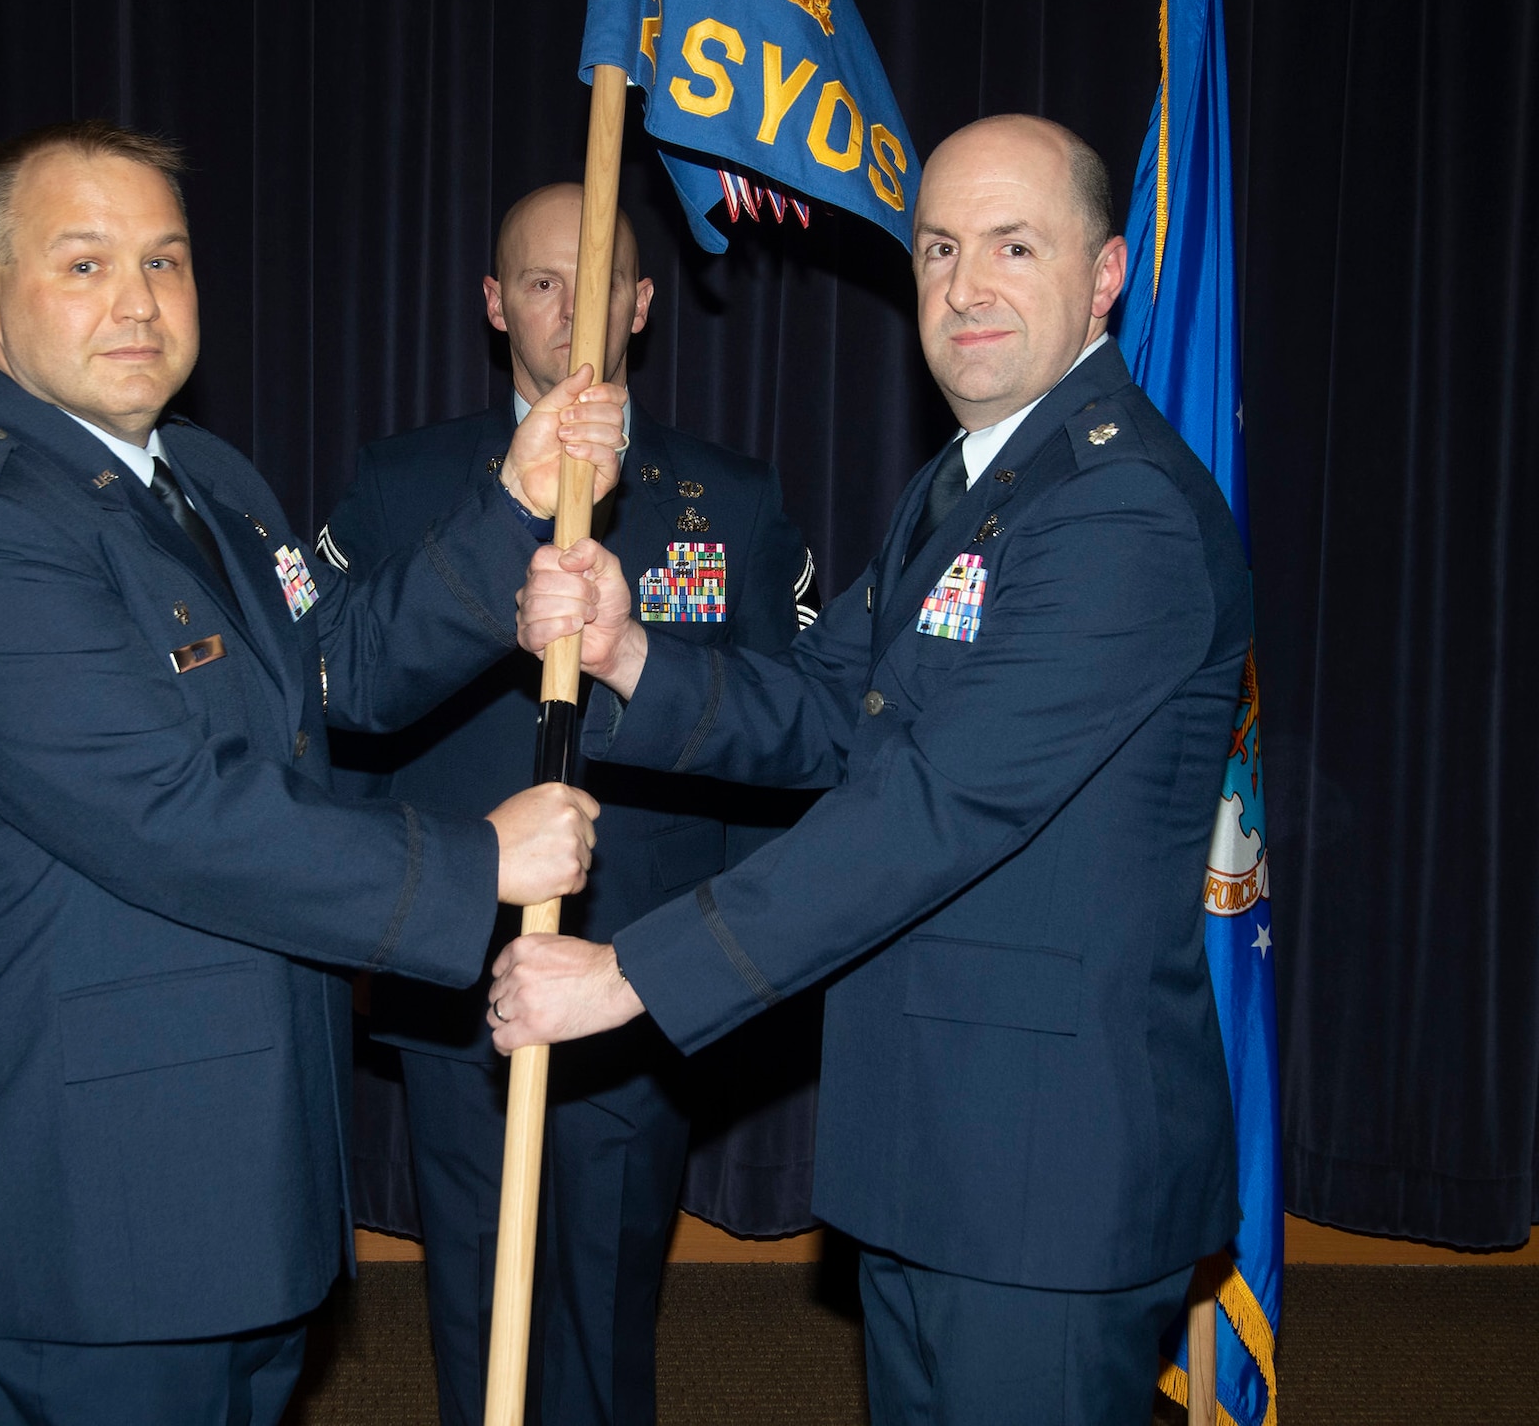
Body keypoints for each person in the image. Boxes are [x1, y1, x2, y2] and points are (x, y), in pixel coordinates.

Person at [0, 120, 627, 1426]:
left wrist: (509, 504)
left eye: (164, 262)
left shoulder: (204, 480)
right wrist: (475, 863)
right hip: (94, 1221)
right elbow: (170, 813)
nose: (138, 302)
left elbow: (328, 674)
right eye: (87, 264)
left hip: (243, 1182)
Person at [494, 115, 1247, 1425]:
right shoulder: (966, 488)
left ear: (1108, 274)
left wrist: (630, 976)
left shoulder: (1121, 515)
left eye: (1016, 246)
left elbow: (938, 804)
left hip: (1046, 1175)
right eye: (940, 247)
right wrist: (627, 656)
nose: (966, 286)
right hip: (929, 1145)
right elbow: (833, 704)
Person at [319, 182, 820, 1426]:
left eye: (594, 281)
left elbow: (799, 719)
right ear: (494, 305)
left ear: (641, 305)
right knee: (475, 1304)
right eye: (538, 280)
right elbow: (331, 702)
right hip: (456, 964)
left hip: (632, 959)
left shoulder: (729, 497)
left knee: (603, 1306)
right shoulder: (399, 484)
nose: (567, 309)